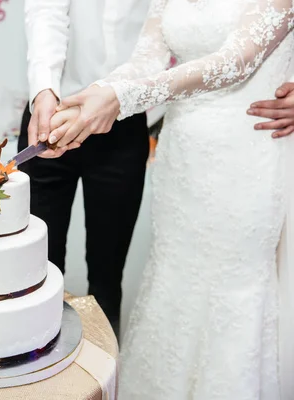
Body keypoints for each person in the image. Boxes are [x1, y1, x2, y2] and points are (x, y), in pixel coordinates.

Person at [45, 0, 294, 398]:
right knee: (175, 274)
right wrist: (101, 92)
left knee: (232, 286)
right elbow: (146, 59)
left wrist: (123, 99)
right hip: (183, 159)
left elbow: (235, 62)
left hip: (246, 154)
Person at [22, 0, 152, 334]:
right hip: (54, 111)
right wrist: (43, 92)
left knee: (107, 279)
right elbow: (46, 12)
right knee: (37, 270)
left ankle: (102, 383)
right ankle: (39, 376)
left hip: (124, 119)